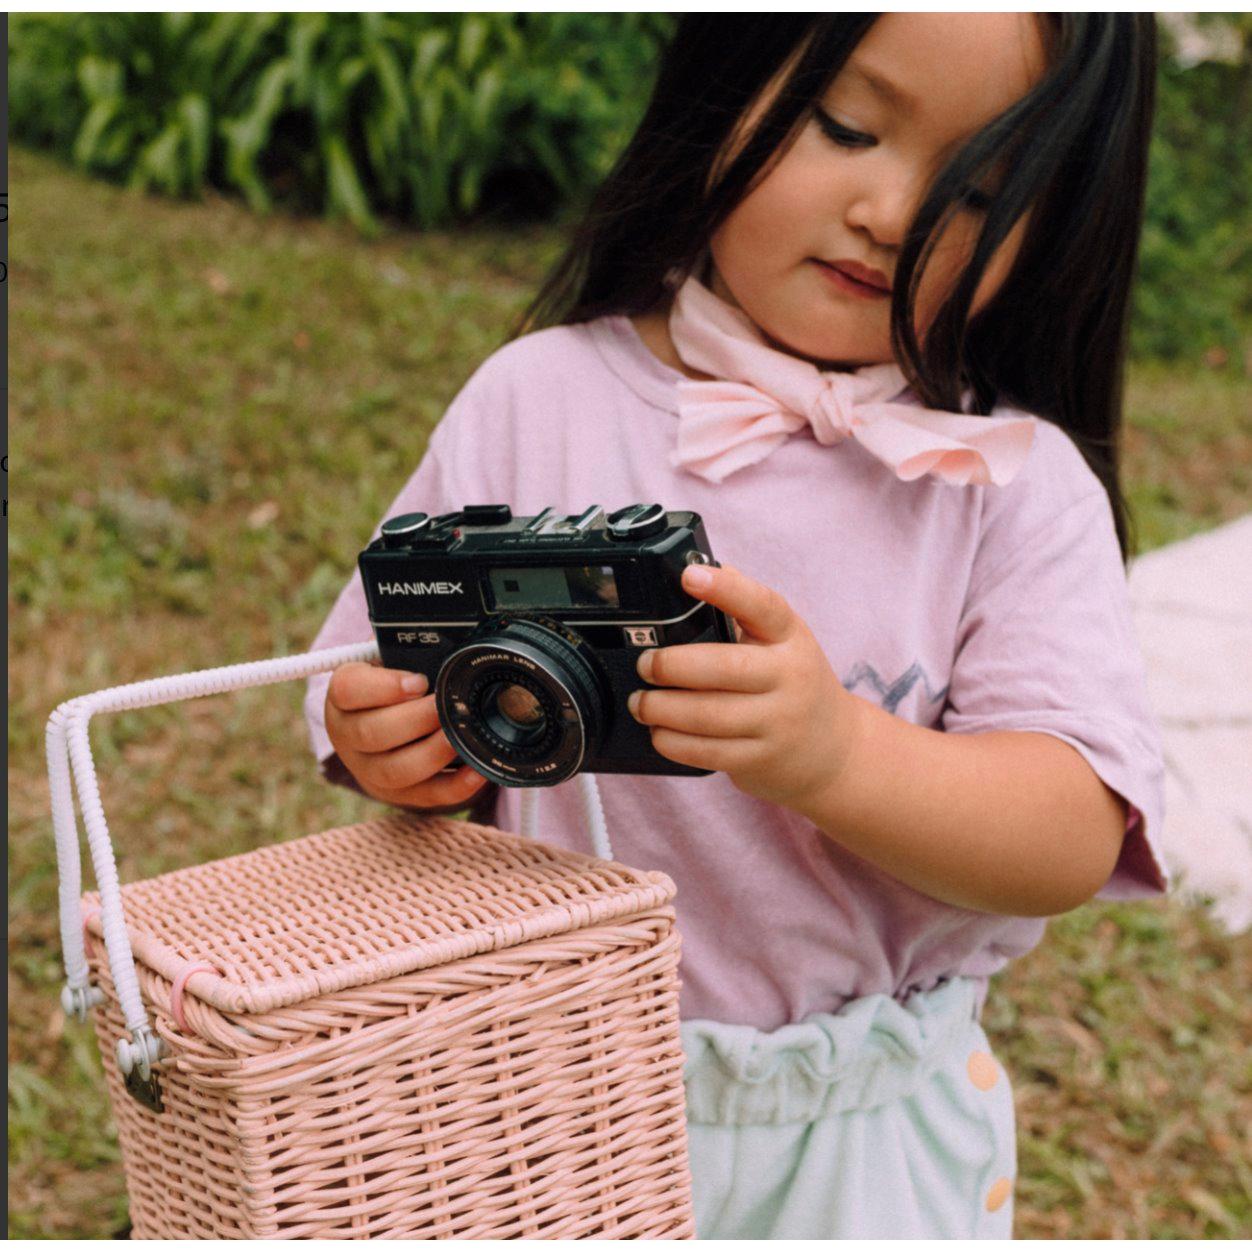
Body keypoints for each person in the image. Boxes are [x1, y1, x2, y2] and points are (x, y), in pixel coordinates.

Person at [303, 14, 1167, 1240]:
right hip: (542, 1096)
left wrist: (836, 752)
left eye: (978, 191)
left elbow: (1070, 828)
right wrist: (394, 740)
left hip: (853, 1136)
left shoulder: (1010, 486)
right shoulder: (539, 399)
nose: (890, 214)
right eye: (846, 128)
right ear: (721, 86)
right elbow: (372, 671)